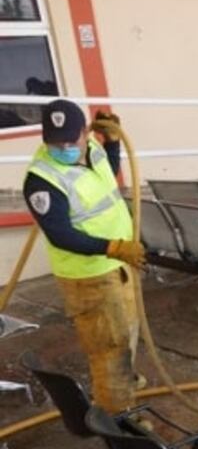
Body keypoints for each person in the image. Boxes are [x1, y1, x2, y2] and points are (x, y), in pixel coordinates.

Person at [23, 100, 144, 412]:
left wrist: (113, 143)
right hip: (89, 277)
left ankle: (122, 387)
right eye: (55, 142)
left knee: (126, 334)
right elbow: (61, 235)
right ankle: (119, 421)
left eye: (70, 139)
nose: (64, 147)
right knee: (109, 351)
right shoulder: (42, 180)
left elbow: (107, 175)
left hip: (117, 265)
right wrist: (114, 247)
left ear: (85, 132)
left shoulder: (92, 149)